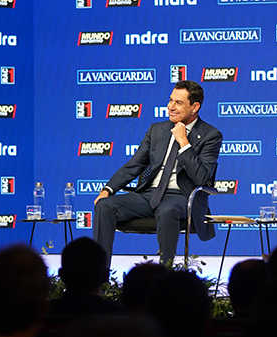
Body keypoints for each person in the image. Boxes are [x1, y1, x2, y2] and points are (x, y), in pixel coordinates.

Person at [93, 80, 222, 267]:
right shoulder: (157, 130)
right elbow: (134, 164)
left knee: (167, 209)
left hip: (182, 197)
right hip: (150, 194)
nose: (171, 107)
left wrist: (184, 143)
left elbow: (202, 178)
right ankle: (99, 275)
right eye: (170, 100)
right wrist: (108, 189)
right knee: (104, 206)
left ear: (195, 107)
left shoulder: (211, 135)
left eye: (178, 103)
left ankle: (165, 273)